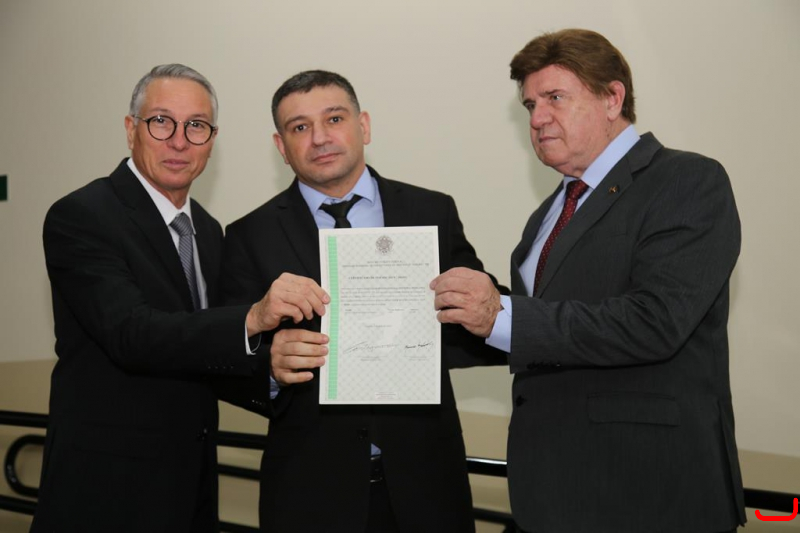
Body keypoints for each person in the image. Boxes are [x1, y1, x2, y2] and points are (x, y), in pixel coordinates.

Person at [431, 29, 746, 533]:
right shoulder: (547, 215)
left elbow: (655, 322)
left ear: (612, 98)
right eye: (530, 104)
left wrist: (501, 314)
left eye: (555, 98)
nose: (537, 118)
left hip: (648, 492)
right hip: (552, 491)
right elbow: (543, 333)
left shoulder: (687, 180)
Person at [32, 64, 327, 532]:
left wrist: (271, 365)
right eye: (161, 122)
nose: (179, 141)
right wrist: (251, 318)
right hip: (105, 491)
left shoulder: (207, 231)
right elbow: (131, 333)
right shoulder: (83, 215)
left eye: (196, 126)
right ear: (131, 129)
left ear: (212, 140)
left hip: (191, 485)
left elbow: (206, 352)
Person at [222, 70, 504, 533]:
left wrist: (491, 307)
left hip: (428, 485)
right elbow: (228, 358)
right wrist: (269, 366)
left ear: (364, 125)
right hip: (310, 494)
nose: (319, 137)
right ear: (281, 146)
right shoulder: (248, 235)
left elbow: (475, 317)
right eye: (299, 127)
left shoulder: (431, 211)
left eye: (334, 118)